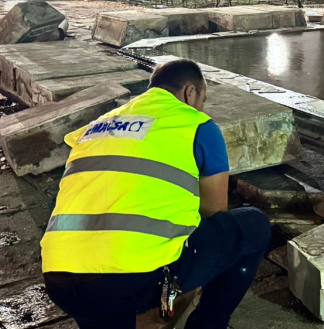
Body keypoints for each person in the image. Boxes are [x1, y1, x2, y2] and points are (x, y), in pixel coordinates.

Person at [42, 59, 270, 329]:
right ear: (190, 92)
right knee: (253, 226)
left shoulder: (99, 125)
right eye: (203, 99)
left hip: (59, 278)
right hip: (133, 278)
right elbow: (213, 213)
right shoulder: (197, 125)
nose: (202, 107)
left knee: (103, 296)